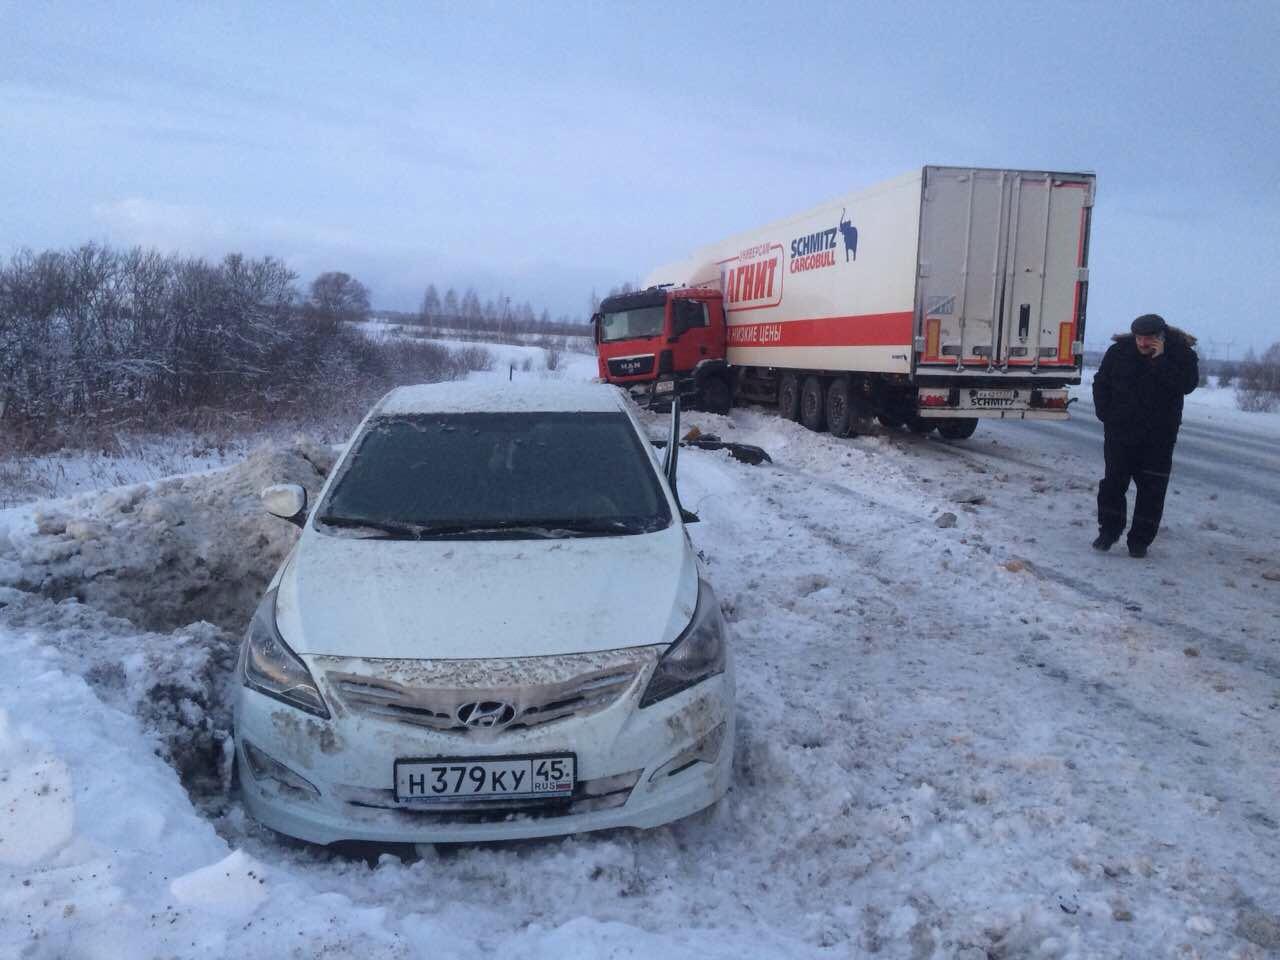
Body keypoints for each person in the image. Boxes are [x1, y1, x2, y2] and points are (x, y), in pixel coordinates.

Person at [1091, 313, 1199, 558]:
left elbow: (1187, 385)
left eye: (1147, 339)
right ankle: (1108, 532)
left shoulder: (1181, 355)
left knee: (1152, 490)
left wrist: (1161, 362)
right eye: (1138, 338)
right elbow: (1101, 382)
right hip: (1120, 432)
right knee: (1113, 484)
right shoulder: (1119, 352)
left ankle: (1139, 541)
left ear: (1160, 338)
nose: (1142, 344)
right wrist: (1105, 412)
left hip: (1158, 437)